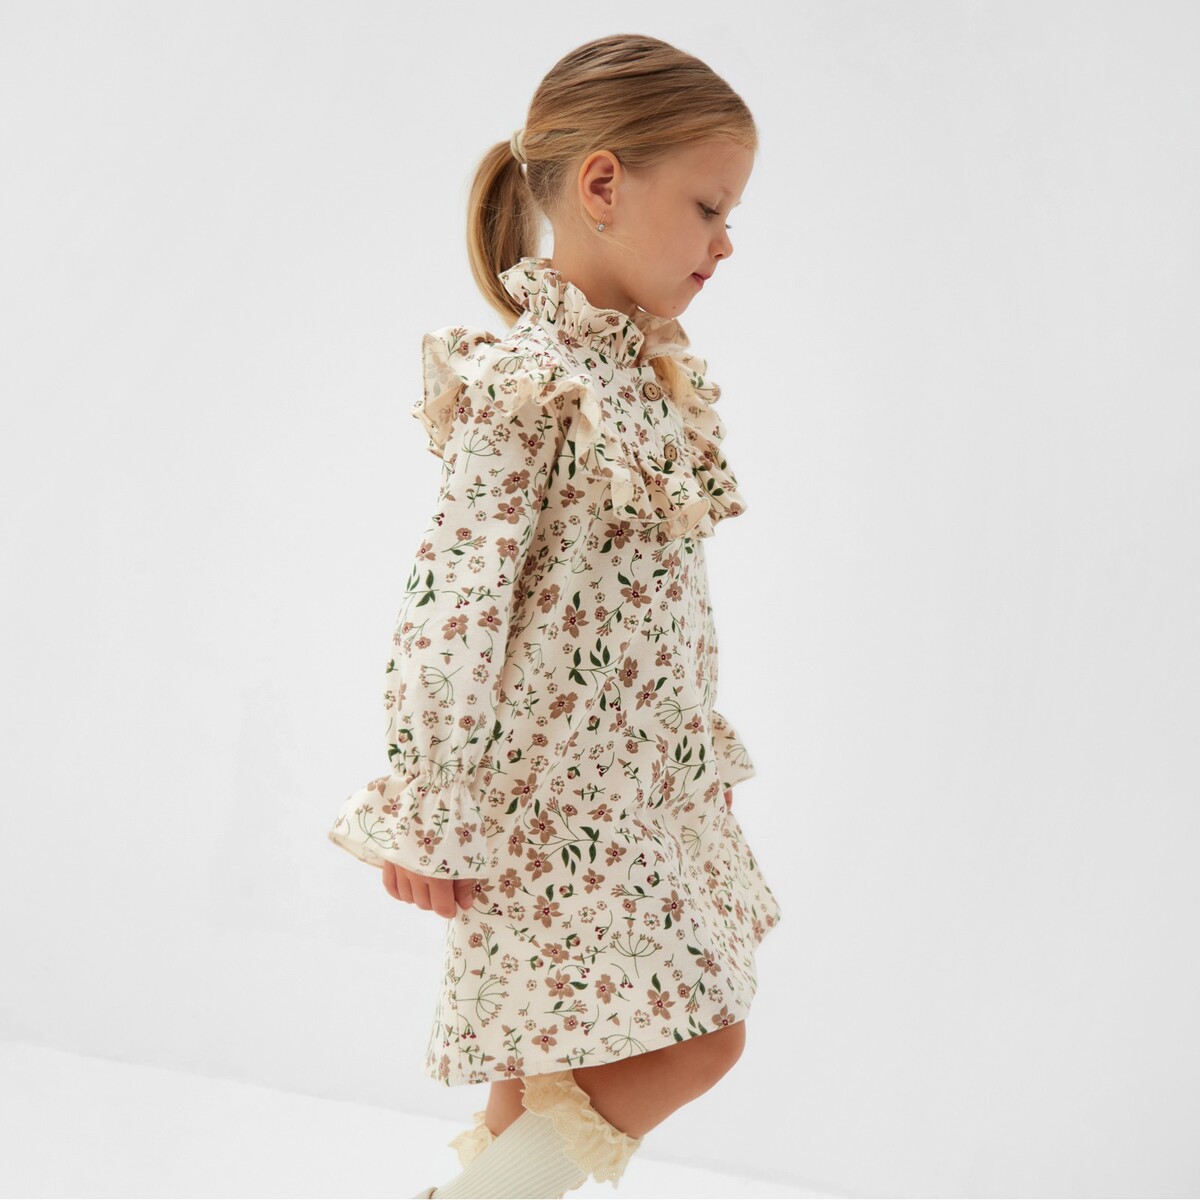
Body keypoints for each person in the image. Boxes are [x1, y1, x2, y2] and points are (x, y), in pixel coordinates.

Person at [326, 32, 783, 1199]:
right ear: (603, 185)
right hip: (544, 812)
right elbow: (454, 602)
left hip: (629, 801)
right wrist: (431, 802)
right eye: (709, 207)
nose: (726, 242)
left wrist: (691, 761)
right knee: (701, 1039)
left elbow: (657, 616)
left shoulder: (646, 379)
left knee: (538, 1083)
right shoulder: (528, 386)